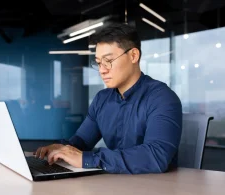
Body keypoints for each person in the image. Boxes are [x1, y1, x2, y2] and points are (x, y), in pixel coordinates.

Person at [34, 23, 182, 174]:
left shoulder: (162, 98)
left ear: (133, 55)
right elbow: (82, 141)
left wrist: (87, 159)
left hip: (154, 186)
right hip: (113, 182)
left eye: (108, 61)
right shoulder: (102, 99)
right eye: (98, 63)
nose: (102, 70)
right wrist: (60, 149)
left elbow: (156, 156)